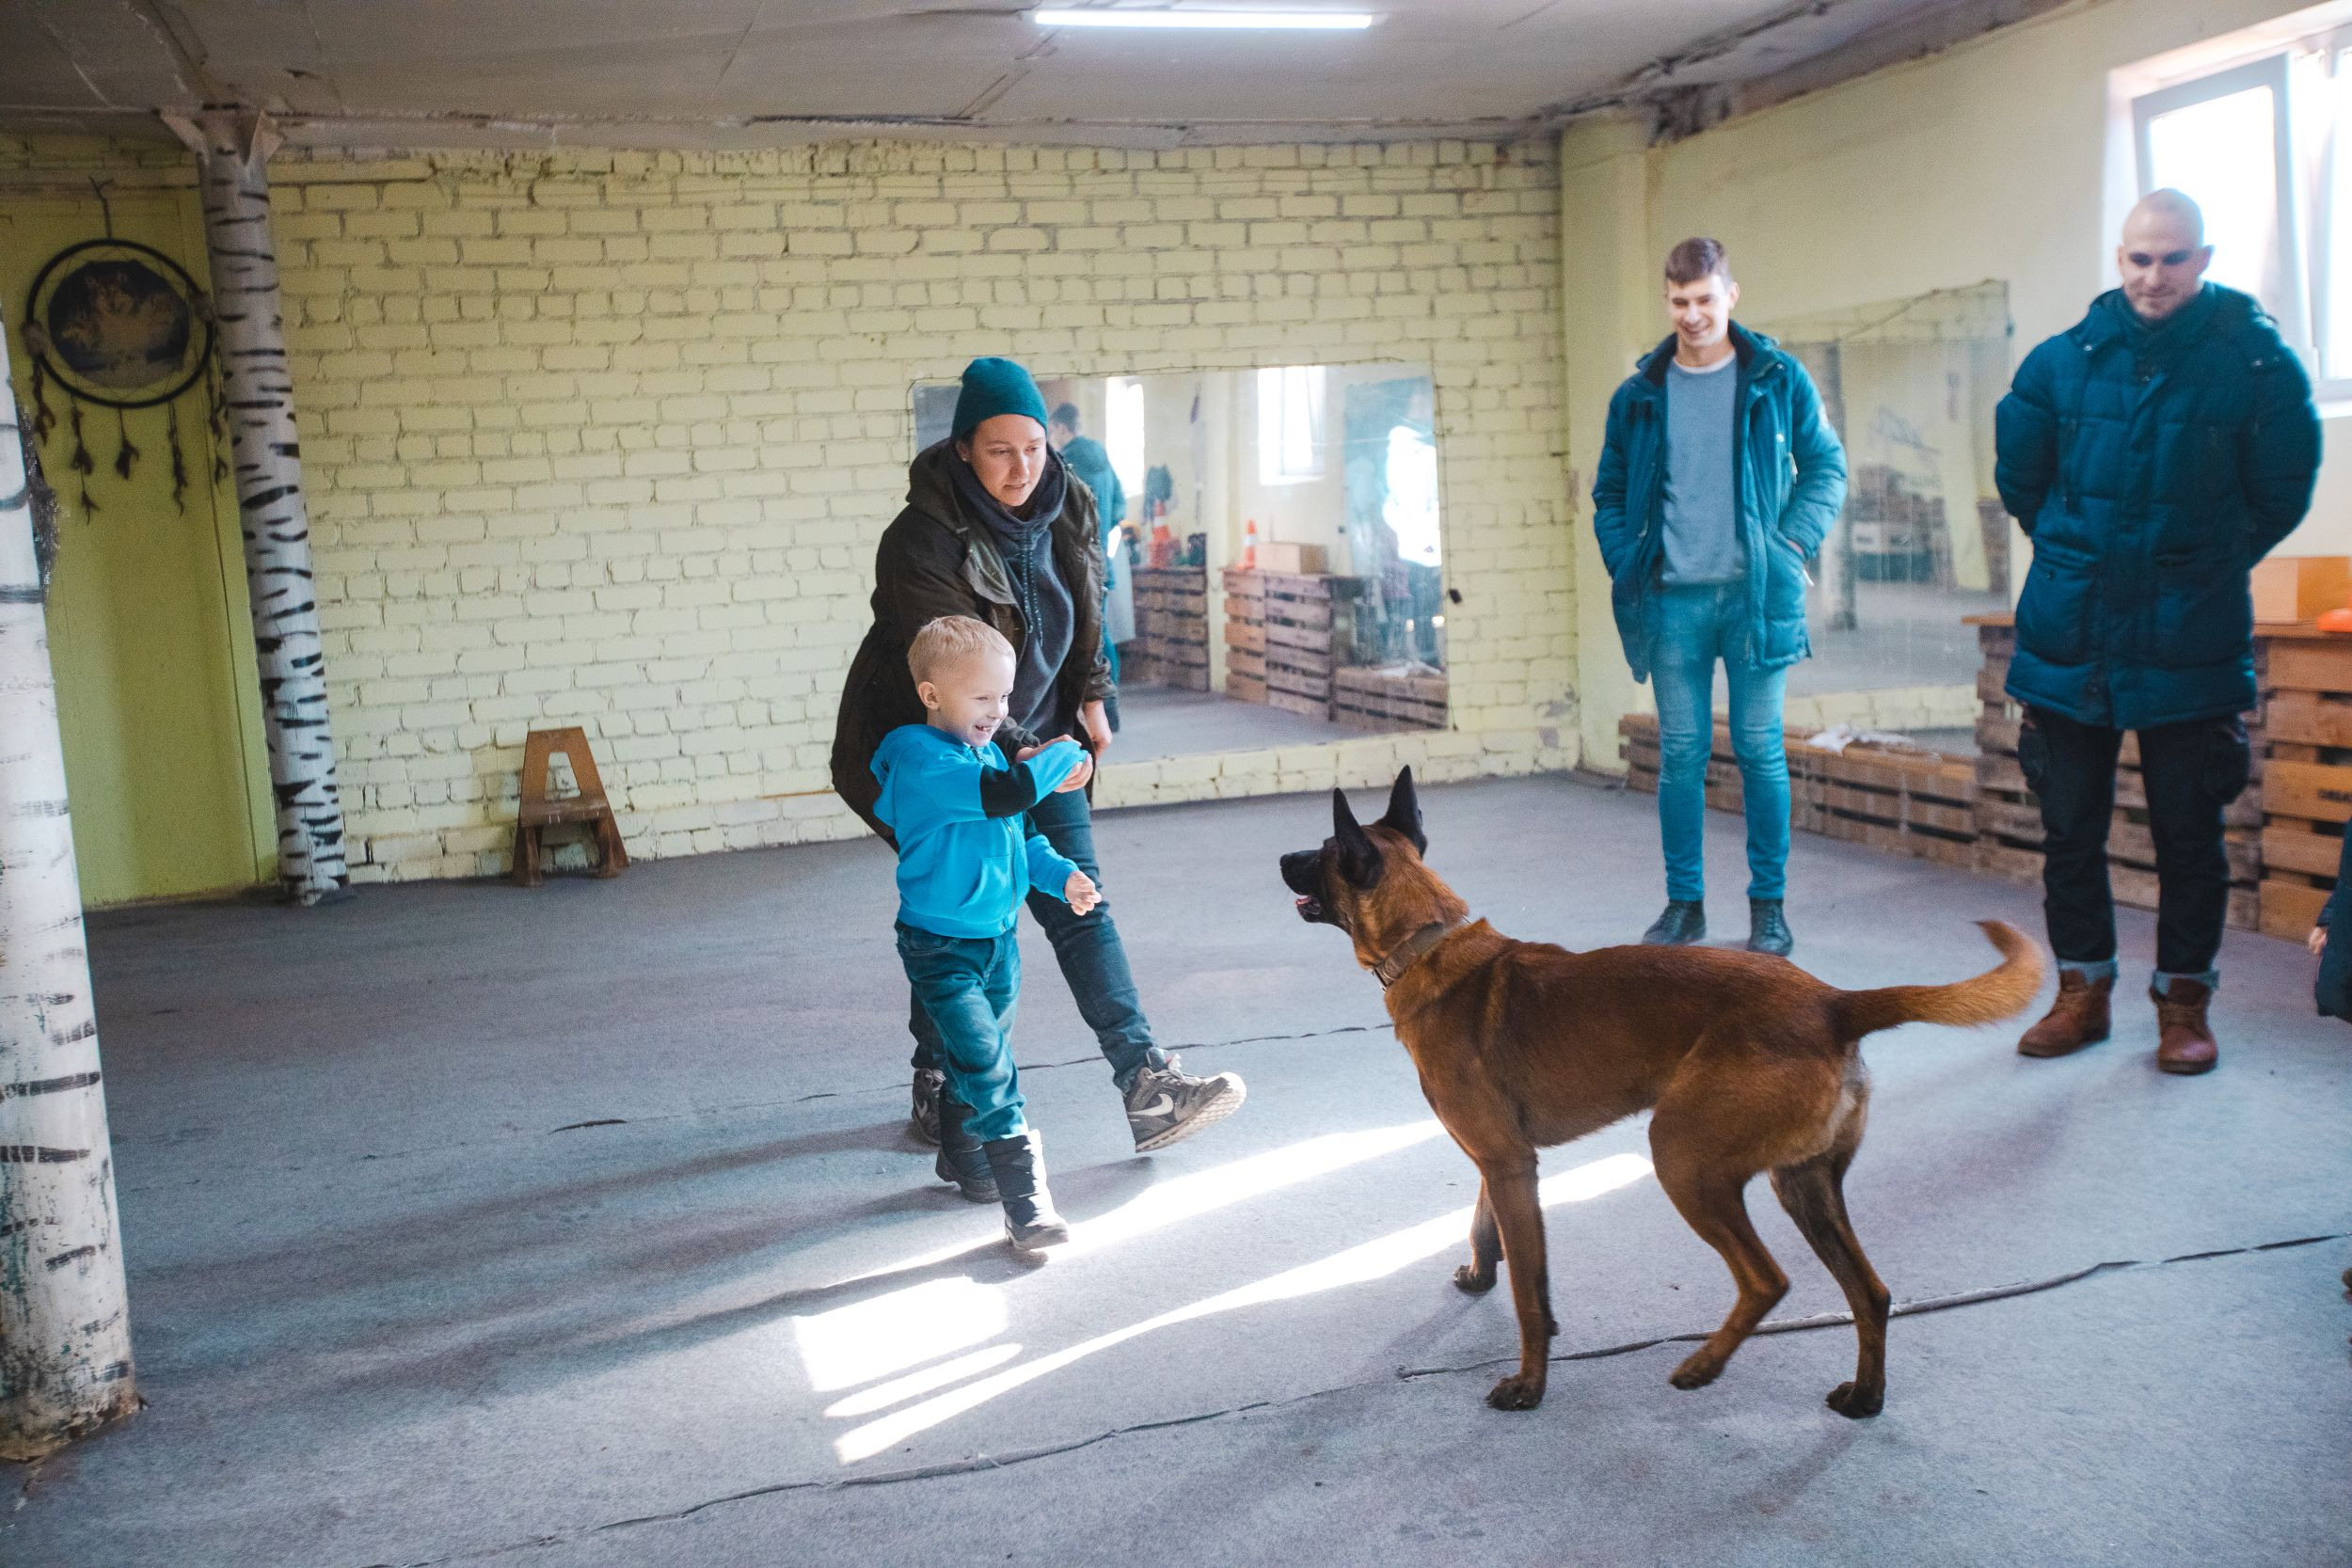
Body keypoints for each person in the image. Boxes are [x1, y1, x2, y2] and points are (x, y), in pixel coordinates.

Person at [833, 356, 1246, 1154]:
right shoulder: (918, 540)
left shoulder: (1072, 499)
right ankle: (939, 1082)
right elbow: (959, 683)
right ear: (962, 449)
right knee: (954, 918)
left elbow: (1084, 602)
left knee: (1079, 898)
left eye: (1033, 446)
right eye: (999, 450)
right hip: (948, 757)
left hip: (1046, 737)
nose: (1021, 467)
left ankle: (1146, 1083)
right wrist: (1037, 752)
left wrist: (1095, 691)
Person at [1995, 189, 2321, 1074]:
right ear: (2119, 258)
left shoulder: (2255, 367)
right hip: (2074, 632)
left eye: (2173, 258)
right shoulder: (2059, 366)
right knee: (2070, 828)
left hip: (2191, 635)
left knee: (2189, 836)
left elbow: (2283, 488)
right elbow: (2024, 483)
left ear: (2204, 259)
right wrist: (2080, 556)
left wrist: (2205, 558)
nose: (2154, 275)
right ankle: (2082, 991)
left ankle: (2185, 1005)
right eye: (2139, 258)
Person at [1591, 237, 1848, 957]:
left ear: (1730, 295)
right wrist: (1625, 559)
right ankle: (1685, 905)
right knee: (1681, 753)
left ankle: (1769, 907)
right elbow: (1608, 492)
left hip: (1755, 596)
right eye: (1680, 303)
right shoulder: (1639, 393)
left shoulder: (1776, 377)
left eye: (1706, 299)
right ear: (1666, 301)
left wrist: (1792, 542)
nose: (1694, 315)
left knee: (1761, 749)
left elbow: (1826, 466)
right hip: (1672, 599)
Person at [872, 616, 1096, 1252]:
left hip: (1000, 945)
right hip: (939, 947)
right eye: (982, 697)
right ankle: (1027, 1206)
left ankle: (963, 1155)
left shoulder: (987, 751)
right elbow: (1012, 792)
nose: (998, 712)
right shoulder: (920, 758)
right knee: (989, 1064)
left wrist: (1064, 876)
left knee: (977, 1058)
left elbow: (1021, 834)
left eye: (1004, 697)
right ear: (931, 695)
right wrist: (1069, 750)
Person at [1050, 403, 1129, 728]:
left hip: (1070, 562)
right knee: (1100, 631)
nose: (1051, 438)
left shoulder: (1065, 462)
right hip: (1100, 561)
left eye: (1052, 431)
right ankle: (1110, 706)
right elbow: (1120, 508)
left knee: (1084, 633)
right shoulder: (1104, 460)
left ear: (1063, 429)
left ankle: (1103, 709)